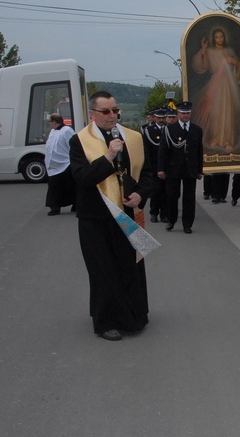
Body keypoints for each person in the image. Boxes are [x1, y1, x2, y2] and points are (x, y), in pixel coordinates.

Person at [69, 91, 155, 341]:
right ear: (93, 114)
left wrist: (140, 194)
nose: (112, 116)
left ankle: (133, 316)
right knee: (102, 269)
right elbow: (82, 178)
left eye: (115, 110)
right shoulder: (80, 141)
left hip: (127, 214)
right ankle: (106, 321)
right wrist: (107, 156)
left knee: (129, 266)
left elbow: (147, 174)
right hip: (95, 216)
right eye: (105, 112)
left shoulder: (134, 138)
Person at [191, 27, 240, 153]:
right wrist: (203, 50)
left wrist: (234, 62)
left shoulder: (229, 50)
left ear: (224, 38)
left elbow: (239, 67)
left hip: (229, 85)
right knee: (216, 112)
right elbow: (200, 66)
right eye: (217, 37)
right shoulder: (209, 51)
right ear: (213, 39)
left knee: (229, 112)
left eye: (221, 36)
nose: (219, 39)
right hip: (215, 85)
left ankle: (228, 140)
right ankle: (215, 138)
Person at [158, 102, 204, 234]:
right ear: (178, 113)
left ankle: (187, 224)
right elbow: (163, 150)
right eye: (183, 113)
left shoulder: (197, 129)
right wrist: (161, 169)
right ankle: (171, 220)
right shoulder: (169, 129)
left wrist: (200, 170)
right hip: (173, 168)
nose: (185, 115)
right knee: (172, 196)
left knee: (189, 198)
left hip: (190, 169)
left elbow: (199, 151)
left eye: (187, 113)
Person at [45, 113, 76, 215]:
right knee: (54, 187)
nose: (49, 124)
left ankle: (74, 204)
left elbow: (73, 145)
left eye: (50, 121)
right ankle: (55, 207)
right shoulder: (53, 131)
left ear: (54, 121)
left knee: (69, 186)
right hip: (53, 165)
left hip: (65, 163)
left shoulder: (67, 130)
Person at [142, 107, 168, 223]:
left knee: (166, 191)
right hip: (154, 164)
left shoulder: (169, 129)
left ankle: (164, 214)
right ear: (155, 118)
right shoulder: (149, 130)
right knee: (156, 190)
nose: (161, 120)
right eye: (159, 118)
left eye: (163, 118)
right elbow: (146, 150)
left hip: (167, 166)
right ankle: (154, 212)